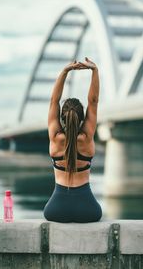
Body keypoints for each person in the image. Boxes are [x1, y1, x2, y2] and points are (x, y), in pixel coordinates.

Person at [43, 57, 102, 223]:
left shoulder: (55, 138)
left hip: (56, 209)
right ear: (82, 118)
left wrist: (65, 71)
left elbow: (54, 101)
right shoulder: (86, 138)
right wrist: (94, 70)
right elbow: (94, 101)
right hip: (88, 209)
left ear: (61, 117)